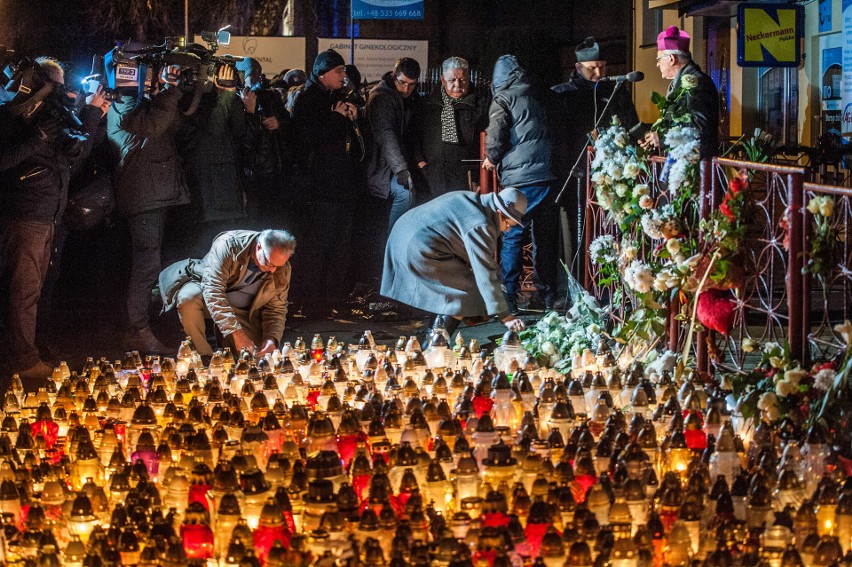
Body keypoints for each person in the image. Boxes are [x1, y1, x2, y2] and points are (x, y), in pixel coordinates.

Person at [0, 57, 107, 381]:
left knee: (29, 290)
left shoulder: (50, 117)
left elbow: (74, 153)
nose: (62, 94)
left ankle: (22, 352)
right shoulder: (14, 118)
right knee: (24, 291)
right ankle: (22, 360)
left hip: (46, 213)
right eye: (57, 87)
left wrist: (90, 115)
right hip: (26, 214)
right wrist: (39, 138)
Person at [107, 63, 191, 354]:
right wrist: (168, 91)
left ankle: (141, 326)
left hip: (155, 195)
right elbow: (153, 125)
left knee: (151, 264)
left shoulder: (143, 103)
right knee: (146, 265)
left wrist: (173, 91)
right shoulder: (124, 105)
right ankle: (137, 330)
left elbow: (176, 125)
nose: (152, 78)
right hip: (144, 197)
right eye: (147, 73)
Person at [381, 188, 528, 339]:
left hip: (402, 234)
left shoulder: (472, 199)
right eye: (509, 224)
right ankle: (436, 344)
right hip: (417, 245)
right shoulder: (481, 224)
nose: (508, 230)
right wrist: (506, 317)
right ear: (499, 212)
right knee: (465, 292)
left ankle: (433, 337)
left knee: (449, 290)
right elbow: (485, 273)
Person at [552, 37, 639, 282]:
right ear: (579, 68)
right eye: (592, 68)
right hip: (576, 173)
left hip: (612, 175)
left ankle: (607, 280)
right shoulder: (564, 95)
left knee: (608, 228)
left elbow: (630, 124)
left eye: (602, 66)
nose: (599, 72)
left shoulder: (616, 89)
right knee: (577, 233)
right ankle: (578, 279)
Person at [483, 54, 559, 314]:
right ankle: (547, 296)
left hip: (520, 178)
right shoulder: (538, 93)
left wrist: (491, 158)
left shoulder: (503, 98)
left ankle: (509, 297)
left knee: (513, 234)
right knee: (545, 237)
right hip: (547, 173)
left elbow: (496, 134)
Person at [290, 49, 363, 315]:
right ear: (323, 74)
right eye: (339, 71)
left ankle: (332, 298)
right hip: (322, 187)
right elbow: (309, 140)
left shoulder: (336, 98)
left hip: (342, 186)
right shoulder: (308, 100)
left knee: (340, 247)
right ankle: (312, 301)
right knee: (319, 246)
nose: (344, 77)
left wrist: (354, 117)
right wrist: (336, 117)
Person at [159, 229, 295, 358]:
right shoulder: (228, 244)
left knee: (258, 359)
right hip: (205, 292)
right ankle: (204, 356)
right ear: (258, 247)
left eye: (277, 266)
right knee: (188, 299)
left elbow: (276, 309)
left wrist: (271, 339)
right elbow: (213, 290)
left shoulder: (281, 268)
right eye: (269, 263)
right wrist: (236, 333)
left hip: (241, 310)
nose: (272, 270)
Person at [175, 63, 248, 257]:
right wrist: (225, 95)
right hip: (205, 195)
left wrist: (230, 96)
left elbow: (240, 131)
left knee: (225, 256)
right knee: (203, 252)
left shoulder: (223, 97)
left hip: (224, 190)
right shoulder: (188, 99)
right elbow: (214, 128)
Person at [413, 56, 489, 202]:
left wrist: (476, 177)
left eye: (463, 80)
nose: (457, 85)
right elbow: (414, 136)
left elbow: (484, 145)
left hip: (464, 180)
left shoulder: (479, 106)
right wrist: (421, 163)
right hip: (431, 177)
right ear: (442, 80)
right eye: (452, 80)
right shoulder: (427, 104)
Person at [640, 26, 720, 158]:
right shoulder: (678, 83)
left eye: (659, 59)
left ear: (671, 59)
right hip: (681, 158)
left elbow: (699, 126)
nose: (657, 64)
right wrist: (652, 136)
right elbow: (675, 121)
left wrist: (663, 137)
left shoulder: (697, 83)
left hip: (695, 163)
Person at [366, 57, 422, 232]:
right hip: (381, 162)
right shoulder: (382, 97)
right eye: (402, 83)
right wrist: (401, 169)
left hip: (392, 161)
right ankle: (394, 238)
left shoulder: (407, 97)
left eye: (411, 85)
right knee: (405, 194)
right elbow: (386, 135)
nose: (406, 89)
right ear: (394, 75)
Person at [237, 57, 293, 230]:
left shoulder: (270, 97)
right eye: (251, 74)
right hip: (253, 179)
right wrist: (251, 113)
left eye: (258, 73)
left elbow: (289, 123)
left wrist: (279, 122)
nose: (256, 79)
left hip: (274, 174)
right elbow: (244, 144)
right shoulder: (236, 100)